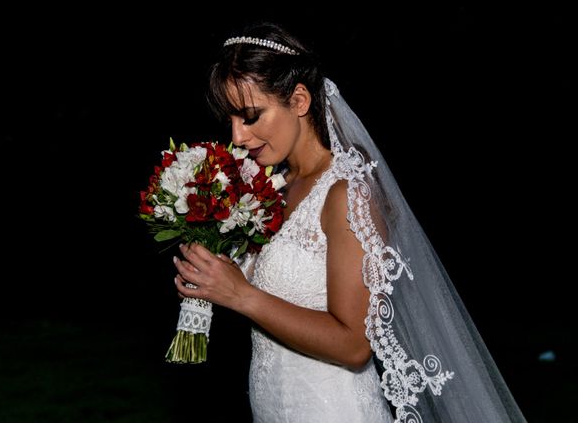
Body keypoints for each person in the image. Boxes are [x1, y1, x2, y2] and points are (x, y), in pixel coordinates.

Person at [172, 21, 526, 422]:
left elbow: (355, 344)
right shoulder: (274, 188)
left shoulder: (345, 194)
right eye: (231, 119)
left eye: (251, 116)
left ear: (300, 100)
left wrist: (241, 295)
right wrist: (212, 271)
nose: (237, 135)